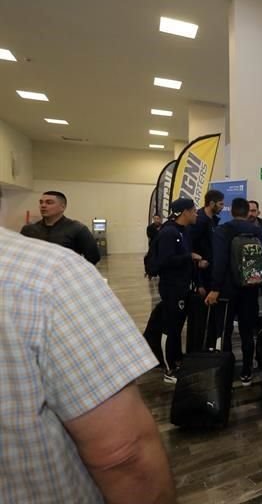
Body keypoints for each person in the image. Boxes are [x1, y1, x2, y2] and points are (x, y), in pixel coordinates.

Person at [0, 188, 176, 502]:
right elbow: (123, 451)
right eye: (40, 200)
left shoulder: (75, 232)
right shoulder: (49, 269)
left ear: (63, 206)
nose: (42, 204)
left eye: (49, 201)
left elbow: (93, 254)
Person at [205, 198, 262, 386]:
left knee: (224, 331)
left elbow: (220, 262)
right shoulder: (259, 231)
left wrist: (215, 288)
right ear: (246, 212)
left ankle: (225, 371)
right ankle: (247, 372)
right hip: (251, 289)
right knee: (247, 332)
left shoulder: (222, 231)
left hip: (227, 290)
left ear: (232, 211)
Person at [154, 198, 201, 382]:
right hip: (172, 288)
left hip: (184, 287)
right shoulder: (168, 233)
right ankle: (168, 369)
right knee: (171, 328)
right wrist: (188, 256)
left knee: (178, 327)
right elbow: (164, 261)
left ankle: (177, 359)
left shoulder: (184, 231)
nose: (196, 214)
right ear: (185, 212)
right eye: (194, 211)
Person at [21, 190, 101, 264]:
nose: (43, 206)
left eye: (49, 202)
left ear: (62, 207)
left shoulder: (78, 229)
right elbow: (21, 255)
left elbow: (93, 257)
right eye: (41, 202)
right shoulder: (29, 230)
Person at [189, 189, 224, 293]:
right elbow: (192, 249)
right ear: (212, 203)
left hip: (211, 272)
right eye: (220, 204)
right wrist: (199, 283)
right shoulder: (198, 221)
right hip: (201, 275)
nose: (222, 207)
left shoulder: (213, 220)